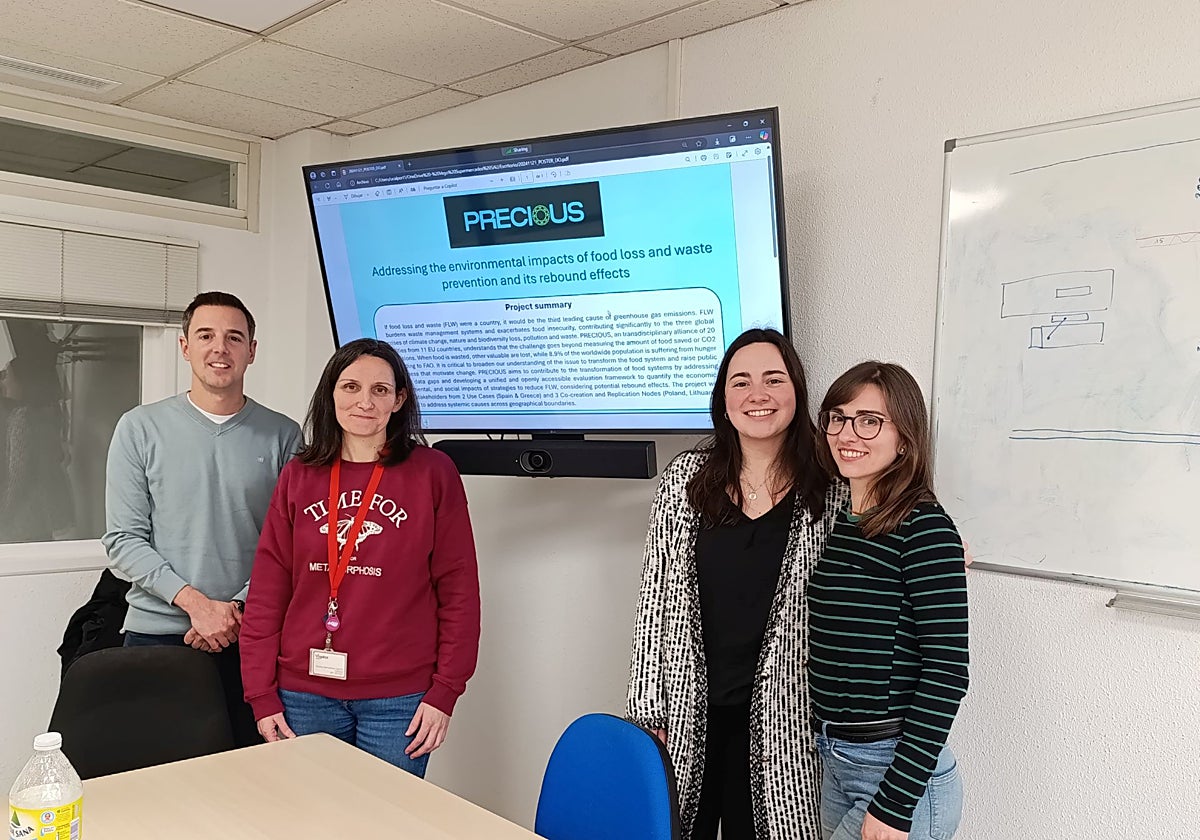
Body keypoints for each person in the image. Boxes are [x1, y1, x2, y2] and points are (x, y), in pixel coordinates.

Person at [627, 328, 847, 839]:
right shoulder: (686, 480)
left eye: (774, 379)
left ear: (797, 392)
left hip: (786, 721)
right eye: (740, 381)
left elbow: (891, 519)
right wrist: (645, 712)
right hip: (688, 712)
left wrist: (938, 546)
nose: (758, 395)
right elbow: (652, 604)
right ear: (723, 399)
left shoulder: (830, 489)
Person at [239, 338, 480, 776]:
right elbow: (269, 589)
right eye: (350, 387)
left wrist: (445, 690)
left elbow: (459, 589)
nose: (364, 402)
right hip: (303, 695)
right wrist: (260, 693)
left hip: (399, 700)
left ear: (399, 399)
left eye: (380, 390)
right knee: (311, 821)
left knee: (383, 823)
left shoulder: (432, 473)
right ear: (331, 393)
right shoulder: (300, 474)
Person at [102, 291, 302, 748]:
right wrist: (197, 604)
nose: (220, 348)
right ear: (185, 346)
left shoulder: (284, 435)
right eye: (206, 335)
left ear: (252, 351)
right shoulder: (139, 428)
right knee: (159, 780)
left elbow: (293, 541)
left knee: (253, 780)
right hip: (158, 636)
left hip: (253, 635)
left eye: (234, 337)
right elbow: (122, 539)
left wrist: (235, 611)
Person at [809, 362, 968, 840]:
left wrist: (897, 802)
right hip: (836, 758)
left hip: (896, 774)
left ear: (905, 437)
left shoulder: (926, 529)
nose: (847, 432)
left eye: (869, 420)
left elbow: (948, 672)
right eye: (837, 417)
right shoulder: (845, 521)